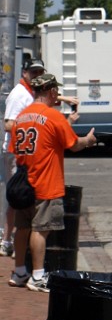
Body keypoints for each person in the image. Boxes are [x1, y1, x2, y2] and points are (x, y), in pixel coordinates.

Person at [7, 74, 97, 291]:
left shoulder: (21, 117)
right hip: (46, 182)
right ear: (51, 91)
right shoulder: (52, 115)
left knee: (22, 228)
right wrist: (90, 140)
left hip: (23, 183)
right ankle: (37, 276)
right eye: (55, 90)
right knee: (41, 230)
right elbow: (74, 145)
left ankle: (19, 271)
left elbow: (18, 149)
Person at [2, 59, 44, 260]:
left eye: (39, 72)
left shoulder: (30, 92)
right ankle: (7, 241)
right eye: (33, 72)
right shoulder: (19, 94)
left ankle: (10, 240)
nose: (36, 75)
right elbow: (9, 124)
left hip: (24, 152)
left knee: (19, 198)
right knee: (16, 198)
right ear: (25, 72)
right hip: (15, 152)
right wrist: (34, 123)